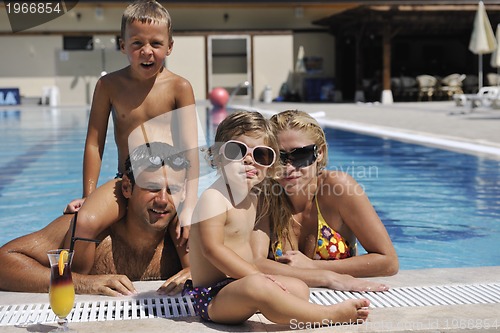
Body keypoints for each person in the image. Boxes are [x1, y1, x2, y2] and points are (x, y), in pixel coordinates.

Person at [185, 111, 370, 325]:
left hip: (239, 285)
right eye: (236, 151)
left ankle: (281, 306)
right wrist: (256, 275)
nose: (248, 161)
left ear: (271, 164)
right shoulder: (214, 198)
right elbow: (212, 249)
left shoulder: (253, 196)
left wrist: (259, 278)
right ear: (217, 156)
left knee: (298, 288)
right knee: (259, 287)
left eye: (261, 155)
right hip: (212, 297)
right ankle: (326, 316)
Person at [63, 0, 200, 275]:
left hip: (168, 185)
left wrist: (190, 203)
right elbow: (94, 143)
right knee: (85, 222)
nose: (146, 51)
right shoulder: (108, 86)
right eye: (137, 43)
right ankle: (80, 284)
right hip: (125, 181)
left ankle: (194, 297)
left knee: (188, 240)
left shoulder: (179, 87)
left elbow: (191, 149)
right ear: (123, 45)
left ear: (169, 47)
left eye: (156, 44)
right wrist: (87, 195)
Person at [0, 142, 190, 297]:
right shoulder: (93, 233)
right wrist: (82, 282)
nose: (163, 200)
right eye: (152, 188)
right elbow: (4, 261)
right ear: (127, 188)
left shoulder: (183, 237)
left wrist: (203, 273)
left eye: (173, 190)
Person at [255, 110, 398, 278]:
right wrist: (324, 277)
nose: (288, 168)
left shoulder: (339, 188)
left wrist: (313, 266)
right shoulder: (264, 195)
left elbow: (388, 262)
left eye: (301, 155)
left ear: (320, 152)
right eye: (279, 157)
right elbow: (254, 262)